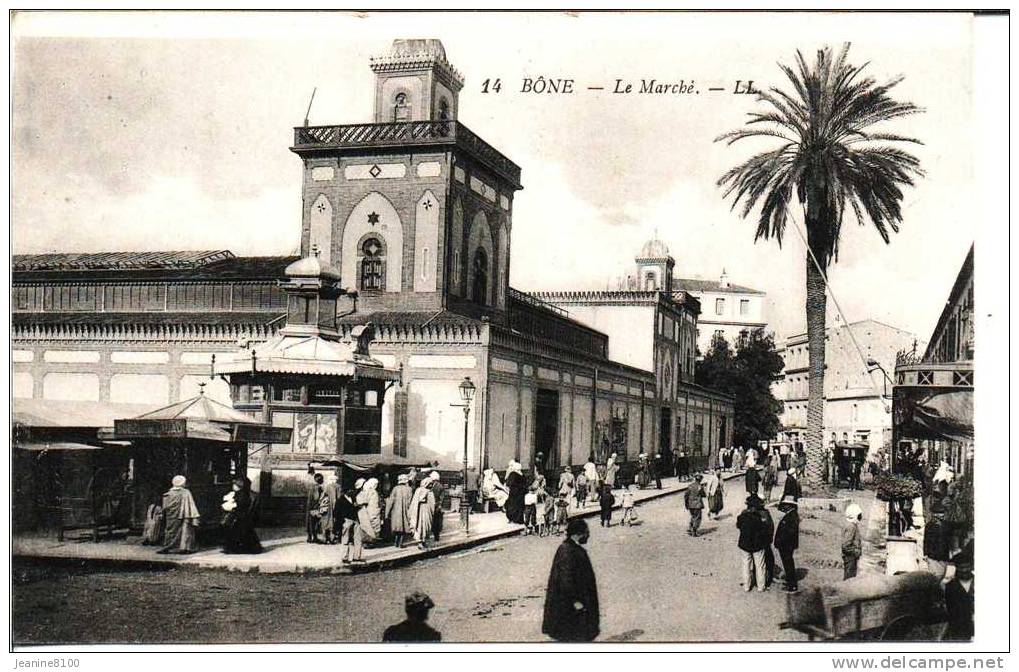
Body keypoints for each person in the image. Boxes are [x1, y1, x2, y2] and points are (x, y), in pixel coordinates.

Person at [541, 518, 599, 642]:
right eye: (586, 532)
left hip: (573, 605)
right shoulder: (567, 551)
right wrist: (575, 601)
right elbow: (565, 579)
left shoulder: (571, 548)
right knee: (572, 637)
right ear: (578, 534)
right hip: (569, 606)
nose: (588, 535)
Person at [158, 475, 200, 555]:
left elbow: (165, 506)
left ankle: (168, 547)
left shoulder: (169, 493)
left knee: (170, 531)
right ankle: (183, 547)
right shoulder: (185, 492)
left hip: (171, 515)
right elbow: (191, 504)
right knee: (185, 530)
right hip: (184, 514)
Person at [221, 477, 262, 554]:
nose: (233, 486)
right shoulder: (243, 493)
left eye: (235, 485)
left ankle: (234, 548)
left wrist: (231, 506)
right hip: (242, 517)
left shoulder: (242, 494)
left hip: (240, 517)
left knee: (236, 533)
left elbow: (240, 505)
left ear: (239, 486)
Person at [737, 494, 769, 592]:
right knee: (760, 565)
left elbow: (738, 526)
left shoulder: (742, 515)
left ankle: (746, 586)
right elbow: (765, 529)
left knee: (745, 565)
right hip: (758, 544)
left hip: (744, 544)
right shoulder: (760, 516)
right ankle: (761, 586)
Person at [943, 543, 974, 641]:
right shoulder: (950, 586)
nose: (964, 570)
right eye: (961, 567)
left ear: (972, 566)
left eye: (967, 567)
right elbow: (949, 611)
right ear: (957, 568)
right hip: (959, 632)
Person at [774, 495, 799, 592]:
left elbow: (788, 533)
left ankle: (792, 585)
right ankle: (790, 581)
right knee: (788, 564)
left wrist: (779, 542)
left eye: (786, 505)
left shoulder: (791, 517)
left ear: (790, 506)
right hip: (788, 545)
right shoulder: (791, 514)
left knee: (788, 564)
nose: (784, 507)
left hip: (786, 545)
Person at [923, 500, 952, 581]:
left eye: (942, 513)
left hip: (943, 556)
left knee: (942, 575)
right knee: (934, 577)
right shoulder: (929, 526)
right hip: (932, 556)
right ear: (934, 514)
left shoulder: (947, 525)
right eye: (938, 513)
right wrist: (925, 553)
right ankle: (934, 592)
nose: (940, 515)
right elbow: (926, 540)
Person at [337, 480, 364, 563]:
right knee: (345, 539)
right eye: (350, 490)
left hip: (355, 520)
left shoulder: (353, 498)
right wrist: (341, 522)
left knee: (358, 538)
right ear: (346, 491)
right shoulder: (340, 500)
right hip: (346, 520)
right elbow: (337, 513)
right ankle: (345, 557)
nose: (352, 491)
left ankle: (357, 556)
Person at [408, 474, 436, 550]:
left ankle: (424, 541)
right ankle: (420, 542)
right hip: (421, 511)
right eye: (429, 484)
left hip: (428, 511)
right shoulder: (420, 490)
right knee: (421, 525)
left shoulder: (430, 491)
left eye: (431, 484)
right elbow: (419, 499)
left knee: (427, 526)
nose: (430, 485)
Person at [385, 473, 413, 548]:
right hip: (405, 511)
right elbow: (410, 501)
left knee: (397, 527)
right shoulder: (409, 489)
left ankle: (396, 542)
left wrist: (387, 513)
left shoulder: (395, 489)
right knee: (404, 527)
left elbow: (391, 501)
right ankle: (400, 543)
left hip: (396, 511)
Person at [357, 477, 383, 544]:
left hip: (369, 511)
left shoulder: (366, 491)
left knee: (367, 526)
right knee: (373, 526)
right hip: (373, 511)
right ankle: (370, 541)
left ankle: (368, 541)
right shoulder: (372, 491)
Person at [842, 502, 863, 580]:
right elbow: (845, 545)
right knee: (849, 579)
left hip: (851, 556)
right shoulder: (851, 527)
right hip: (850, 557)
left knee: (850, 577)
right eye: (859, 515)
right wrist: (855, 551)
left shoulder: (851, 525)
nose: (860, 517)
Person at [321, 471, 340, 544]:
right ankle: (332, 538)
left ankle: (325, 538)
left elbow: (323, 497)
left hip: (326, 506)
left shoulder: (327, 486)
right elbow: (338, 497)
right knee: (333, 522)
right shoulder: (338, 486)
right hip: (334, 506)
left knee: (325, 521)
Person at [306, 473, 325, 543]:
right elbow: (316, 497)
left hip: (311, 507)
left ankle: (310, 537)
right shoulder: (317, 488)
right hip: (314, 507)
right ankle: (313, 537)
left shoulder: (312, 487)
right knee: (314, 522)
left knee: (311, 522)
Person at [428, 471, 445, 542]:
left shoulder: (435, 486)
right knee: (435, 521)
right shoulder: (437, 485)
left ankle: (433, 536)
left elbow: (441, 497)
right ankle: (435, 535)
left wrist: (439, 505)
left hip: (434, 505)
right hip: (434, 505)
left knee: (434, 521)